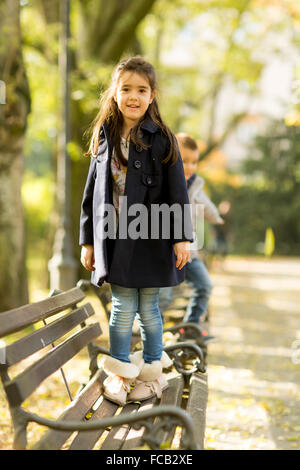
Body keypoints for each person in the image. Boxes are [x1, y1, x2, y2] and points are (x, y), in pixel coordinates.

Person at [79, 57, 193, 406]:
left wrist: (182, 236)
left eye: (141, 90)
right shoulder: (104, 137)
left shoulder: (163, 140)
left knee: (149, 309)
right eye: (126, 89)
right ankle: (120, 373)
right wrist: (87, 241)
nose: (133, 96)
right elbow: (91, 193)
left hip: (153, 236)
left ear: (152, 95)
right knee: (122, 307)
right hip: (114, 239)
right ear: (114, 93)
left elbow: (178, 192)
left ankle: (152, 375)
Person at [159, 133, 224, 334]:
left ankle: (190, 327)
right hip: (165, 253)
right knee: (162, 298)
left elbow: (207, 206)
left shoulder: (195, 184)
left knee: (205, 286)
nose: (190, 167)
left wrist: (217, 217)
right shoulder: (162, 181)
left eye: (194, 162)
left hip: (190, 252)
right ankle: (153, 338)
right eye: (184, 161)